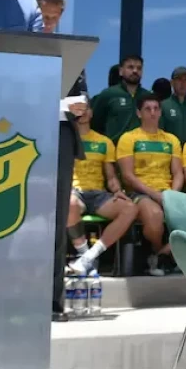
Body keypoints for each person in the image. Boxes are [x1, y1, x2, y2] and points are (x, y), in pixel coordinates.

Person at [32, 0, 90, 319]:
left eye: (55, 19)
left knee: (55, 222)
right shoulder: (17, 45)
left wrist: (78, 106)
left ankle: (52, 301)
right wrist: (59, 104)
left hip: (62, 141)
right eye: (44, 17)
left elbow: (82, 97)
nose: (49, 25)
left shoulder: (67, 52)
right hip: (23, 140)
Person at [65, 106, 140, 276]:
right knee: (69, 203)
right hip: (74, 191)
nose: (82, 113)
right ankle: (84, 253)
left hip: (98, 193)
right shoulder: (65, 140)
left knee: (130, 208)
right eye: (78, 109)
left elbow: (111, 176)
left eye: (86, 109)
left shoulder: (104, 142)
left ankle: (89, 257)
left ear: (91, 113)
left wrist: (118, 190)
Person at [116, 95, 184, 276]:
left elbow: (178, 173)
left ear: (161, 112)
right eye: (148, 109)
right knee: (154, 215)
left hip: (167, 192)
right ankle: (159, 252)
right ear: (139, 113)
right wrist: (155, 195)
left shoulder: (172, 140)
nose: (153, 113)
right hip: (139, 192)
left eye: (156, 108)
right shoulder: (128, 138)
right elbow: (128, 176)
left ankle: (161, 256)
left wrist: (172, 195)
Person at [90, 55, 152, 142]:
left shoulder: (148, 97)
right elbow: (95, 123)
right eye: (130, 67)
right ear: (121, 71)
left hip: (143, 150)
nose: (135, 71)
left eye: (139, 68)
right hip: (114, 150)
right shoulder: (108, 94)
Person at [160, 66, 186, 146]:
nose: (183, 83)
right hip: (169, 154)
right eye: (179, 79)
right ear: (172, 82)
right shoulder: (163, 106)